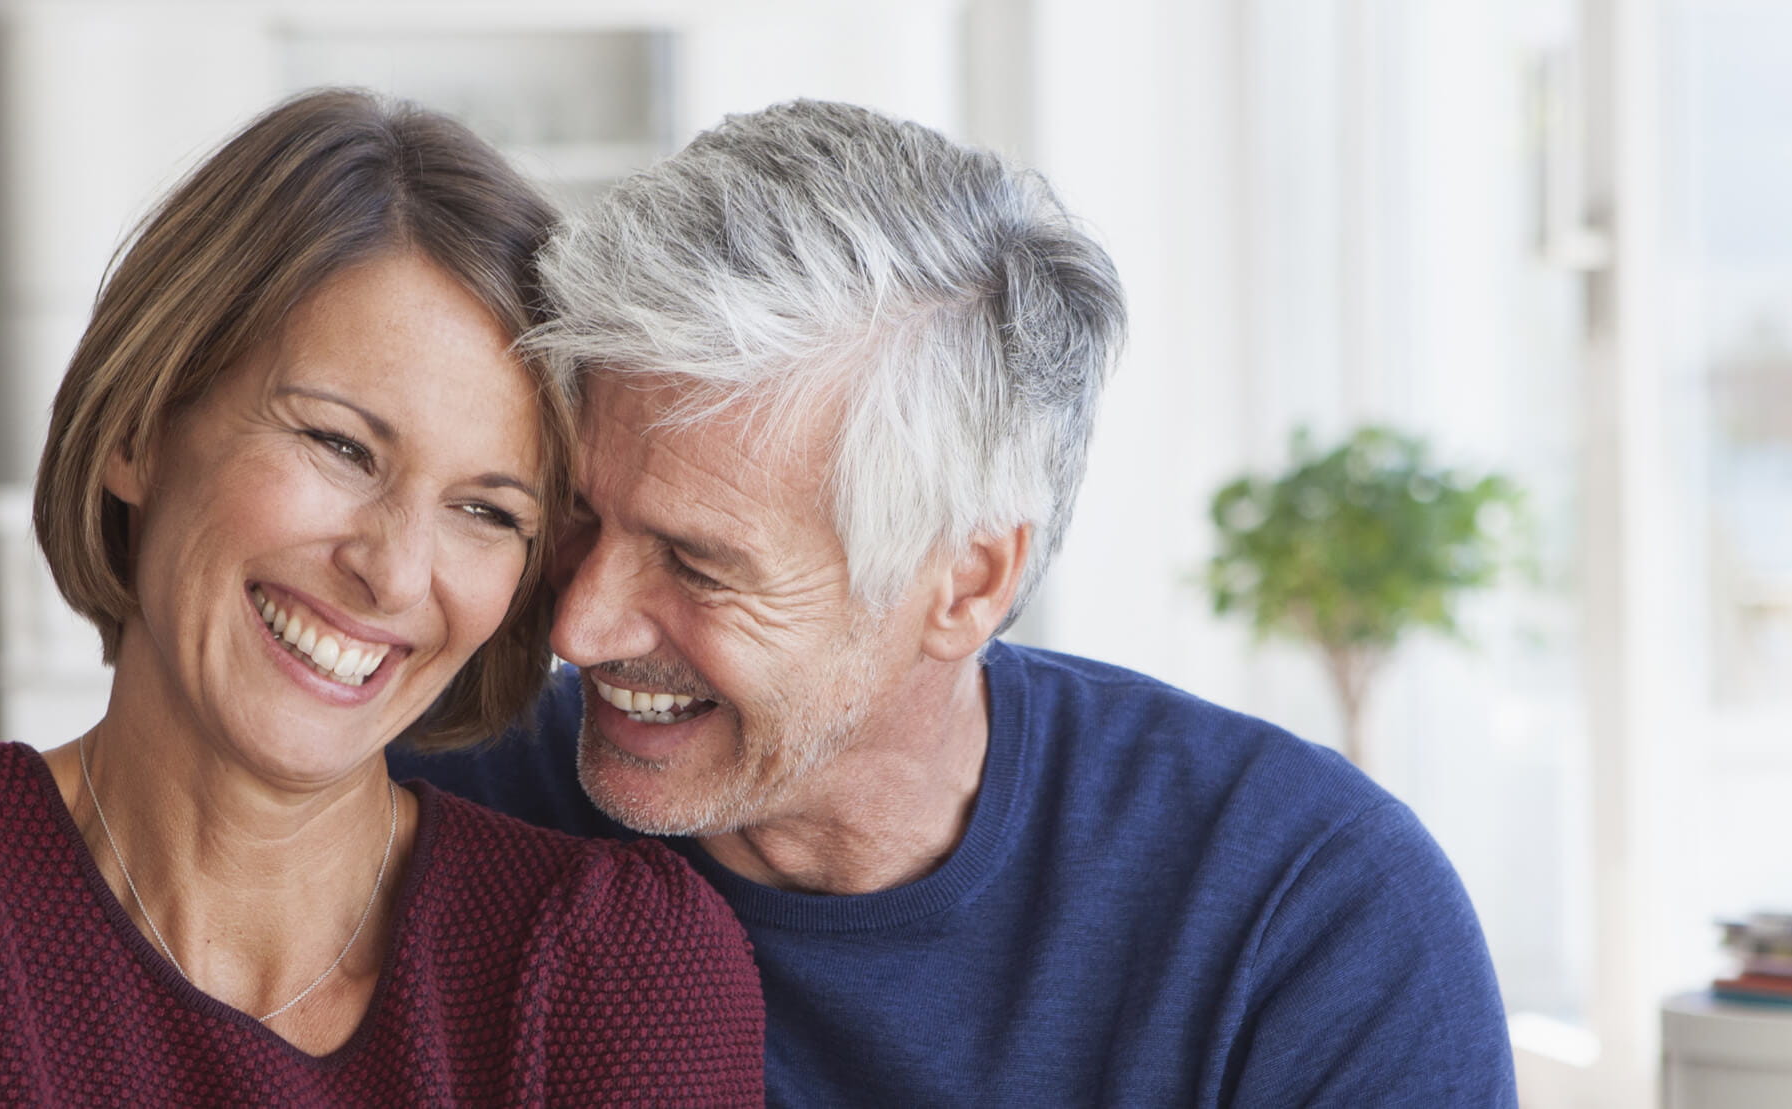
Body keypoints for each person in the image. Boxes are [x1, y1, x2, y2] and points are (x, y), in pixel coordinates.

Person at [396, 99, 1518, 1105]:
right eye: (580, 517)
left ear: (969, 582)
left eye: (697, 565)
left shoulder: (1305, 910)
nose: (578, 626)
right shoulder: (424, 820)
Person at [0, 89, 764, 1106]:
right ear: (138, 430)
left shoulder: (617, 964)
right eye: (339, 444)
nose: (392, 570)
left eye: (487, 511)